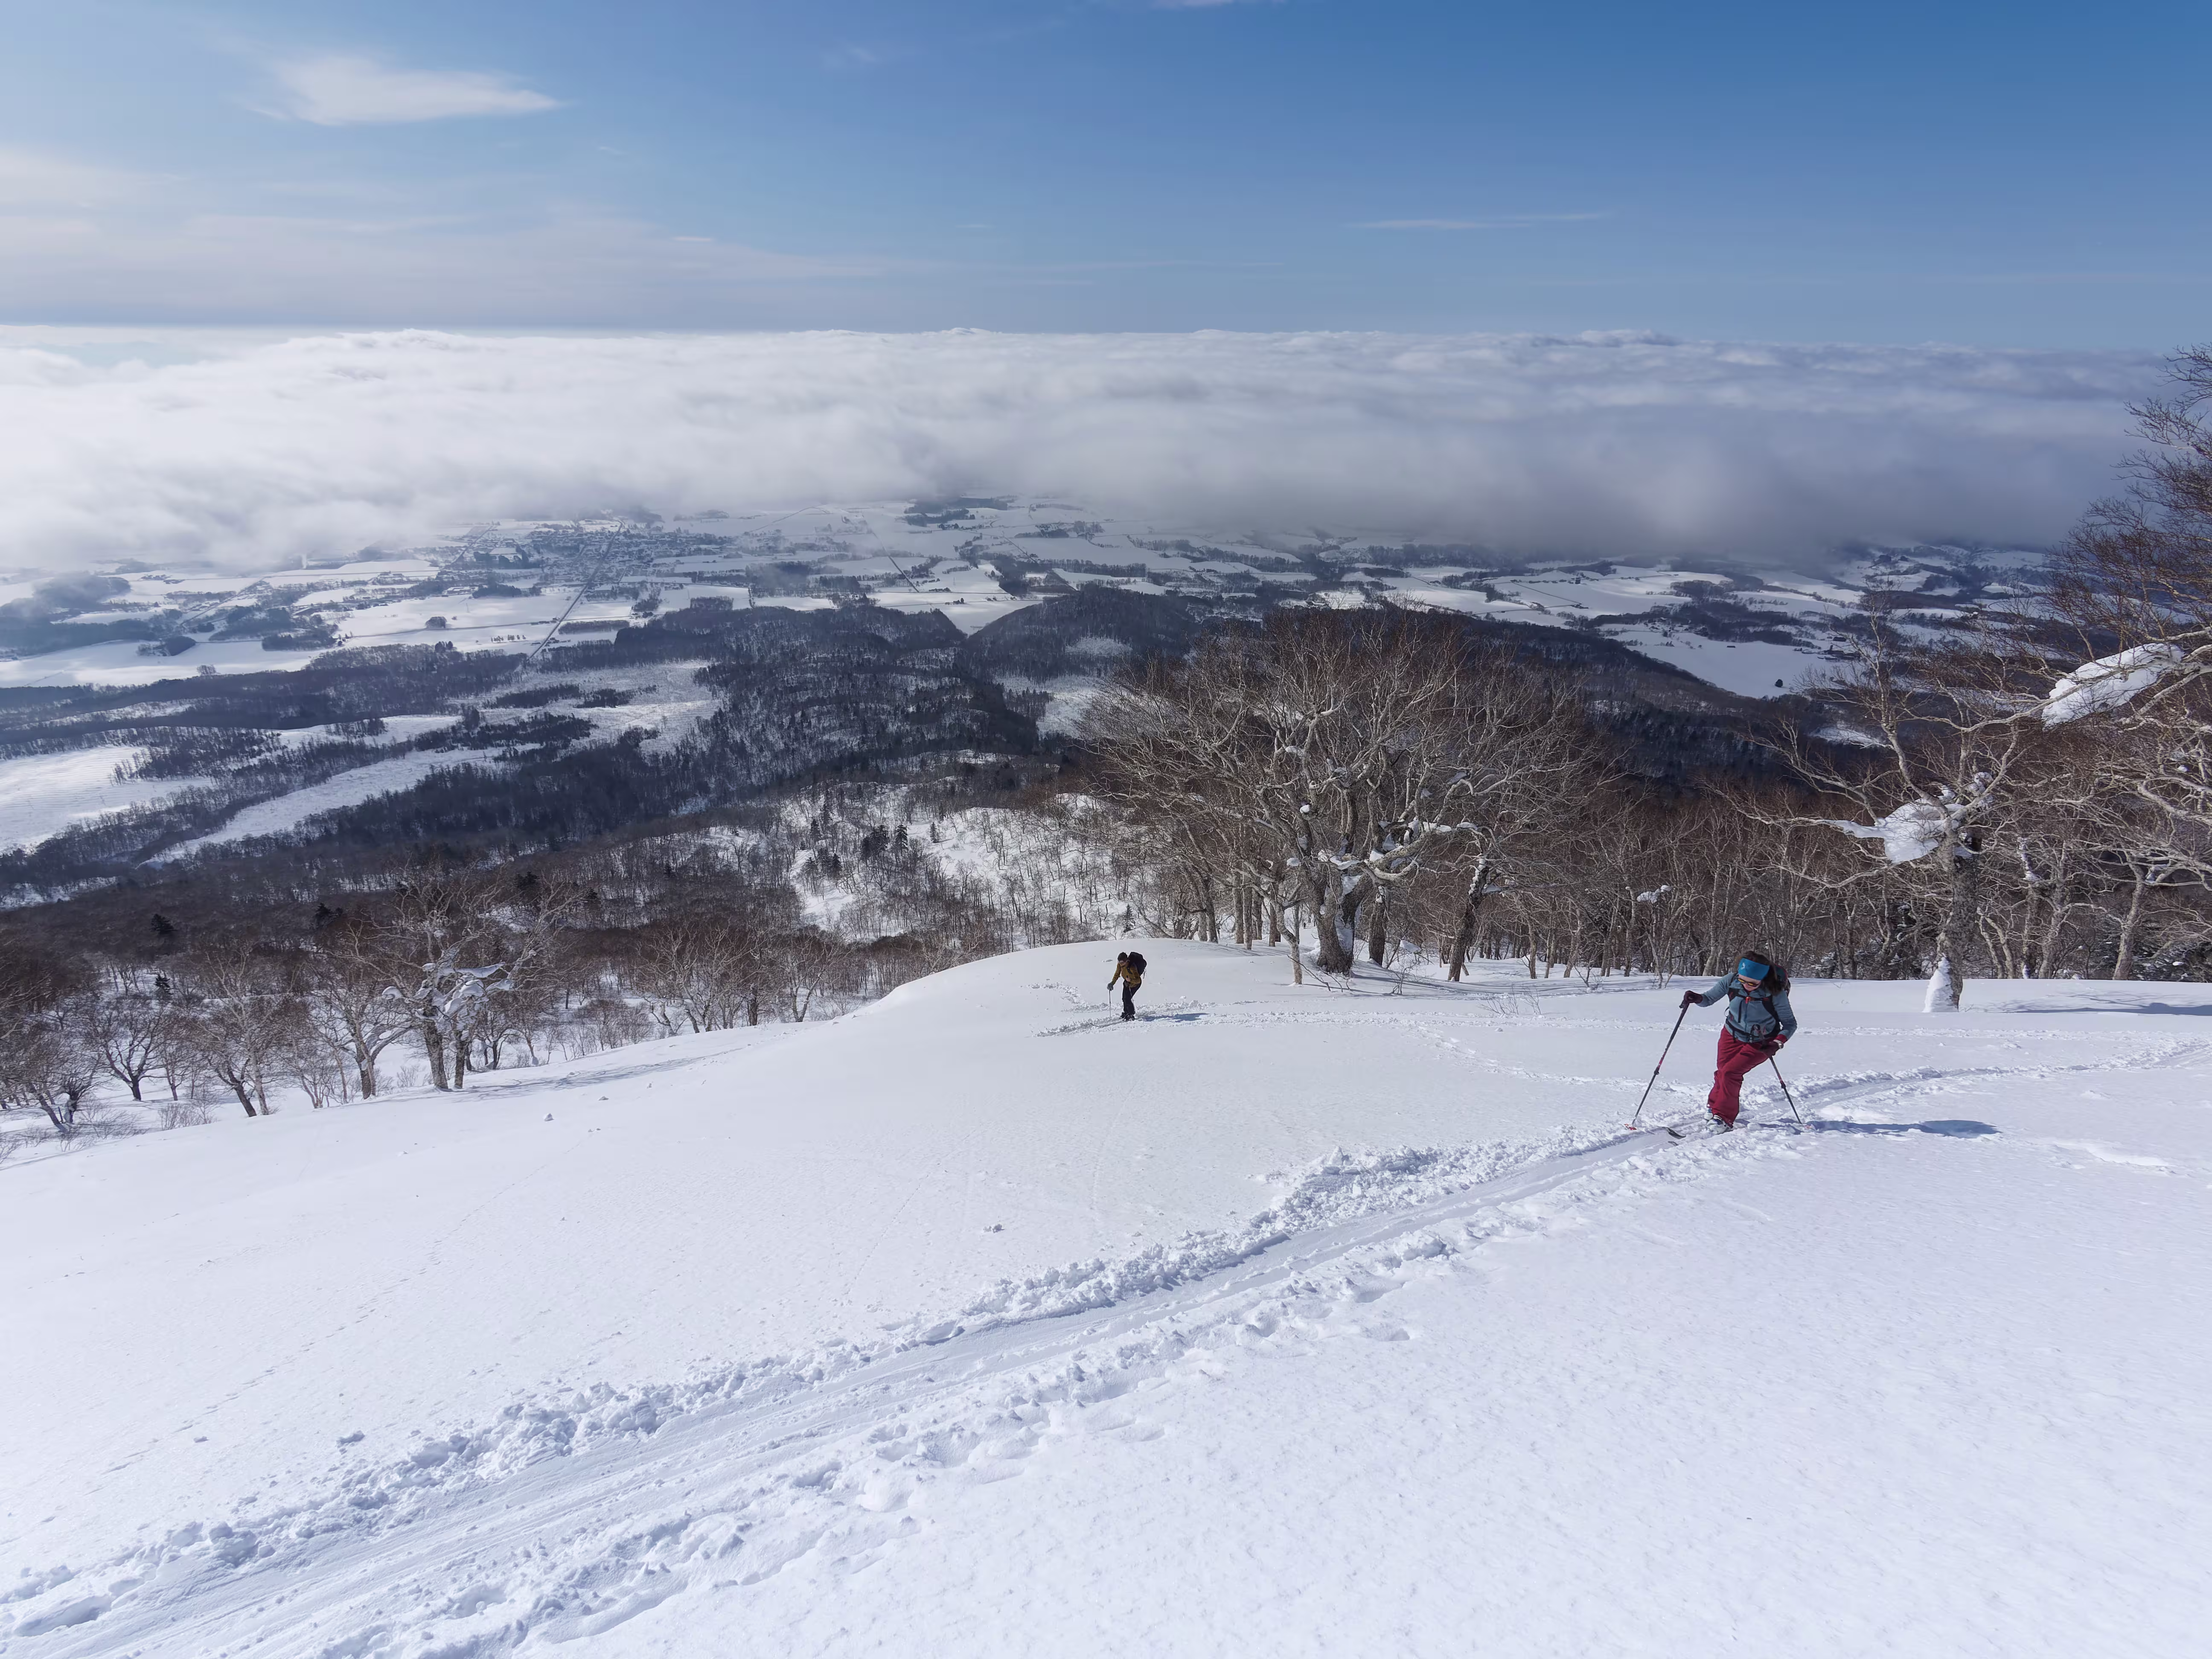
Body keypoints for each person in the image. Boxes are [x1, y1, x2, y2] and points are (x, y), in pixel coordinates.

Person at [1680, 952, 1796, 1130]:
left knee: (1730, 1074)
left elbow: (1790, 1024)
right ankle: (1715, 1105)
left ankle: (1724, 1118)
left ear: (1763, 979)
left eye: (1752, 983)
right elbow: (1709, 999)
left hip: (1762, 1042)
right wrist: (1698, 998)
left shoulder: (1775, 992)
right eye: (1743, 981)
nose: (1747, 986)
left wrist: (1777, 1043)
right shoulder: (1731, 980)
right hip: (1731, 1034)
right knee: (1722, 1072)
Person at [1109, 950, 1146, 1021]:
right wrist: (1112, 983)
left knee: (1128, 999)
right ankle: (1126, 1012)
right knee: (1124, 998)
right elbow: (1117, 974)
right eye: (1119, 962)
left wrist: (1130, 981)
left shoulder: (1132, 967)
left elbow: (1138, 980)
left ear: (1126, 961)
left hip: (1136, 984)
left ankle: (1131, 1014)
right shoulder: (1120, 965)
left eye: (1122, 963)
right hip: (1127, 983)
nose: (1120, 964)